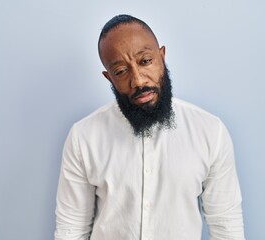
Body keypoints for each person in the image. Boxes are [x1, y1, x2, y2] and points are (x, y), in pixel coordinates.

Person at [54, 14, 245, 240]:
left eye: (145, 61)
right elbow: (71, 230)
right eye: (121, 71)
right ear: (109, 78)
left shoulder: (210, 132)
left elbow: (226, 228)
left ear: (161, 57)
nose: (138, 81)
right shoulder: (83, 137)